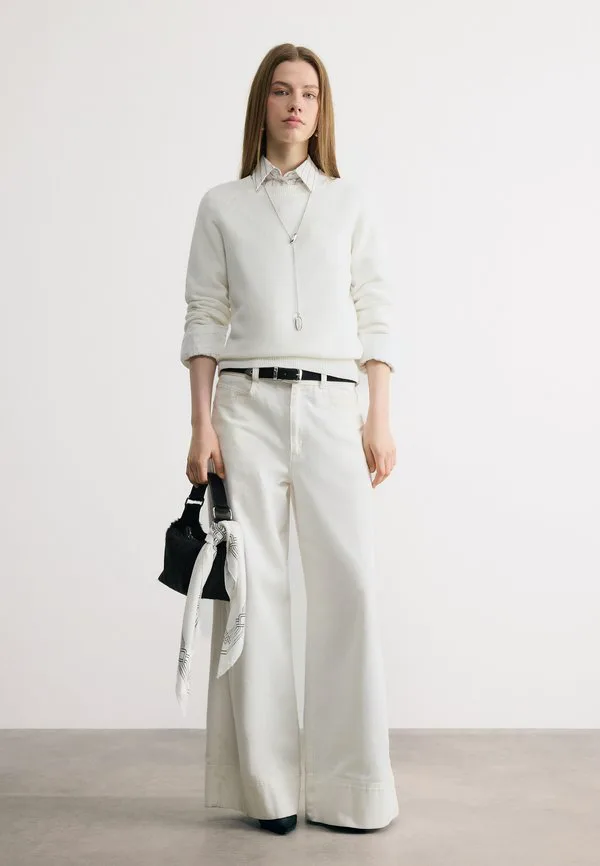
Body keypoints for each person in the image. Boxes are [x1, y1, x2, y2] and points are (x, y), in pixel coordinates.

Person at [180, 43, 399, 836]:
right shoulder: (222, 205)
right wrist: (201, 423)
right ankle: (268, 788)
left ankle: (352, 790)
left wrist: (379, 413)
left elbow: (376, 308)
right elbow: (205, 314)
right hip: (245, 406)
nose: (295, 104)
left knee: (351, 587)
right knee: (255, 596)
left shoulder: (349, 202)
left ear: (322, 108)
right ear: (262, 104)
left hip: (335, 405)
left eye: (308, 92)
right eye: (281, 91)